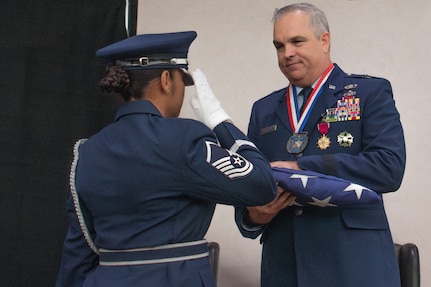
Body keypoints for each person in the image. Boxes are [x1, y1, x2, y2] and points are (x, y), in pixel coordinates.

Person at [56, 31, 277, 287]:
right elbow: (262, 184)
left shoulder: (87, 152)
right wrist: (220, 122)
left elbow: (78, 251)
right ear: (166, 80)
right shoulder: (183, 138)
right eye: (182, 81)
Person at [235, 3, 406, 287]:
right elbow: (249, 185)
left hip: (353, 266)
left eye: (297, 41)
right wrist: (253, 215)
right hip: (284, 267)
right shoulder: (263, 110)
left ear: (324, 40)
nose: (287, 53)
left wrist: (301, 167)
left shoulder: (368, 93)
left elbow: (389, 168)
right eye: (279, 45)